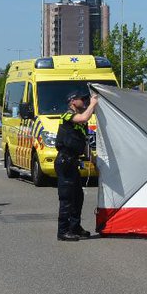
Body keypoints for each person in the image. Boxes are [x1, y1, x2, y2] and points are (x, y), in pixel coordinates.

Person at [55, 89, 99, 241]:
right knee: (66, 198)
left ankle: (75, 227)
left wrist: (92, 159)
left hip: (73, 161)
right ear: (73, 101)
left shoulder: (81, 123)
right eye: (82, 99)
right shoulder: (67, 114)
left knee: (77, 197)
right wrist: (93, 103)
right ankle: (63, 231)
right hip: (64, 160)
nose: (85, 101)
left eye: (87, 99)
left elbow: (84, 141)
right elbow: (83, 117)